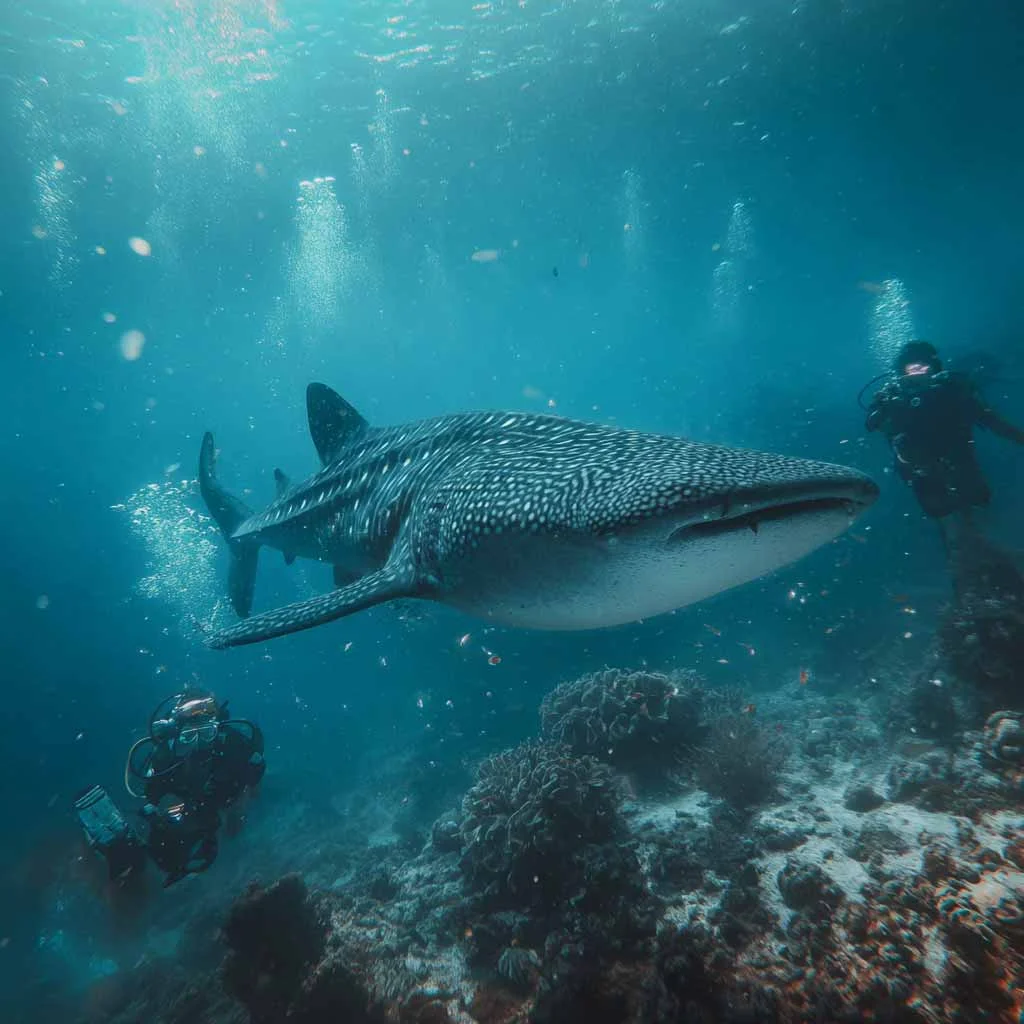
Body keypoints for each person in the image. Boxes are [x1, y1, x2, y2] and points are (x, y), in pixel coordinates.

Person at [74, 689, 265, 887]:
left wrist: (240, 800)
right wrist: (164, 810)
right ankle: (117, 844)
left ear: (217, 727)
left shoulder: (231, 742)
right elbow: (152, 794)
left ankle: (129, 851)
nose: (199, 743)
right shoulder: (166, 754)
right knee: (165, 856)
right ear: (178, 732)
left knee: (178, 848)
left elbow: (252, 774)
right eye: (189, 736)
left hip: (216, 801)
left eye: (207, 733)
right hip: (187, 808)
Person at [865, 340, 1024, 538]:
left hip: (959, 458)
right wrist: (886, 406)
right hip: (920, 467)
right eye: (912, 368)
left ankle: (989, 543)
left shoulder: (952, 389)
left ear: (934, 368)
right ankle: (964, 550)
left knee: (978, 503)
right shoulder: (891, 396)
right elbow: (871, 424)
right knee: (942, 513)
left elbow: (989, 419)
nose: (918, 373)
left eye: (922, 367)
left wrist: (1019, 437)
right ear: (901, 371)